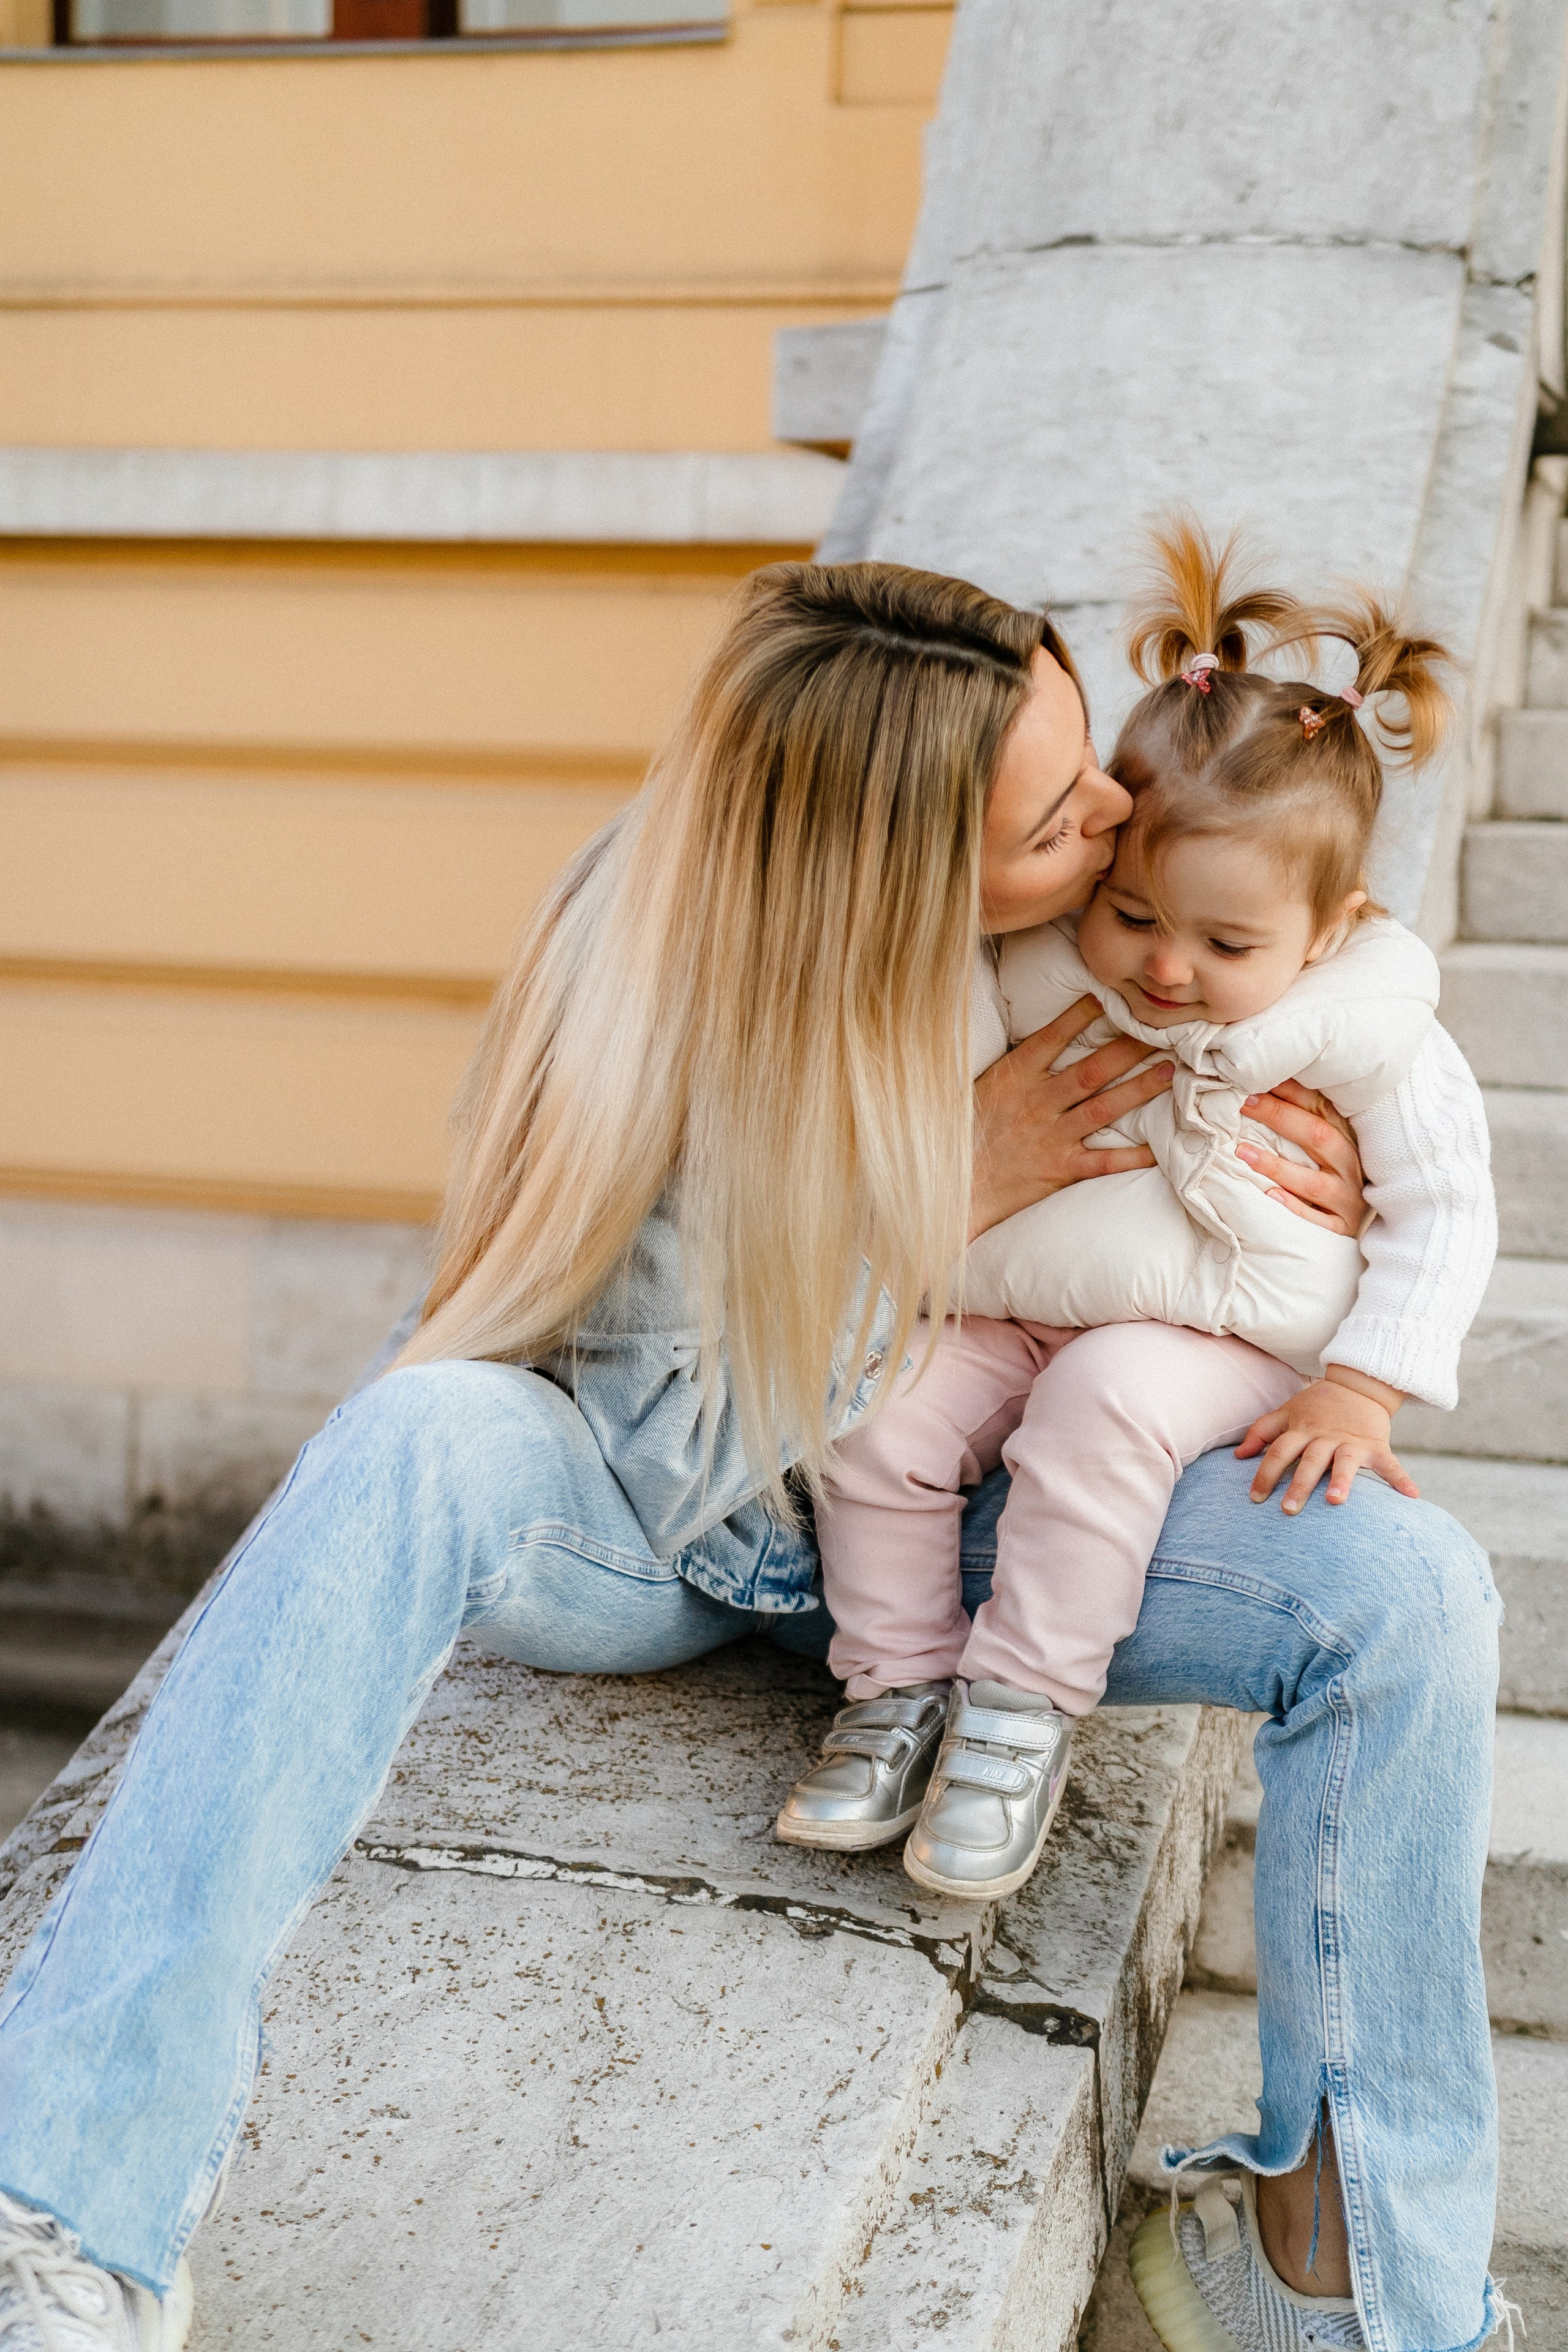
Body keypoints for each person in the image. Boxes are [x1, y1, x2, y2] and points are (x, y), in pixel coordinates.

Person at [0, 563, 1500, 2352]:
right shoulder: (651, 962)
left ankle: (1351, 2283)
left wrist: (1291, 1205)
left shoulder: (1099, 940)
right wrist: (943, 1186)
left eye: (1091, 760)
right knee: (409, 1437)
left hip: (992, 1514)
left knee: (1409, 1595)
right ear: (902, 869)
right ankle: (73, 2209)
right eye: (1058, 817)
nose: (1116, 820)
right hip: (685, 1517)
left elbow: (1317, 938)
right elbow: (662, 1421)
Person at [778, 526, 1495, 1923]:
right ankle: (895, 1684)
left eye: (1226, 948)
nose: (1165, 969)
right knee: (877, 1405)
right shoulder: (1027, 957)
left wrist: (1360, 1385)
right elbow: (906, 1099)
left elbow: (1444, 1207)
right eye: (1132, 915)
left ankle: (1018, 1711)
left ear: (1330, 925)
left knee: (1105, 1398)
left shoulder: (1366, 1026)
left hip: (1211, 1323)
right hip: (1004, 1299)